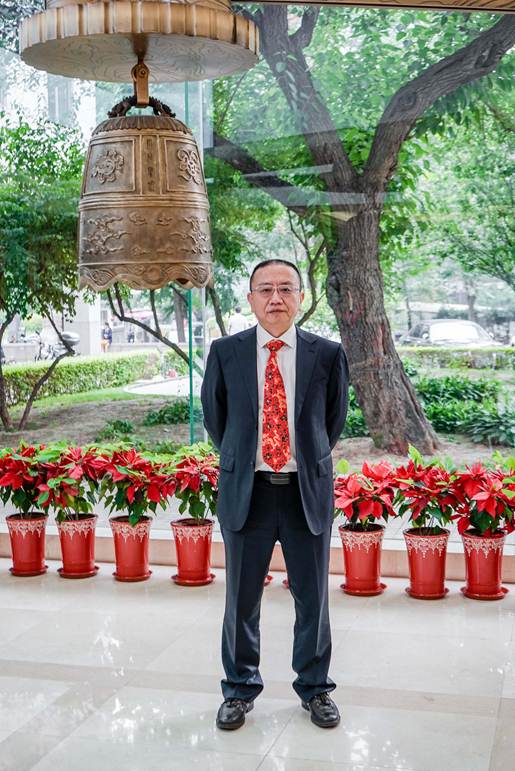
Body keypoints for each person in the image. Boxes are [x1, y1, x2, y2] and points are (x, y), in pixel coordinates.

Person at [201, 259, 349, 732]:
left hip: (306, 493)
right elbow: (217, 421)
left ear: (300, 297)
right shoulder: (226, 352)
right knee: (241, 600)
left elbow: (332, 422)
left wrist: (301, 458)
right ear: (250, 299)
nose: (276, 298)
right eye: (265, 289)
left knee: (313, 599)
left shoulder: (327, 354)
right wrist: (248, 459)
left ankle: (315, 687)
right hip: (249, 494)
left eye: (286, 288)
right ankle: (238, 688)